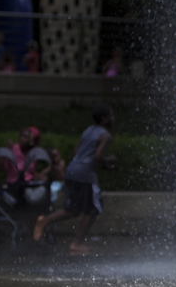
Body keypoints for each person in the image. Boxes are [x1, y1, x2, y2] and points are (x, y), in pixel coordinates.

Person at [32, 105, 115, 253]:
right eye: (111, 116)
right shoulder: (105, 135)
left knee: (73, 209)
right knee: (94, 209)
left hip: (72, 170)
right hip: (85, 174)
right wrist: (108, 161)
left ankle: (45, 221)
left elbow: (76, 151)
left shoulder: (88, 130)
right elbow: (97, 156)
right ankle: (75, 243)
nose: (112, 119)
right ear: (104, 118)